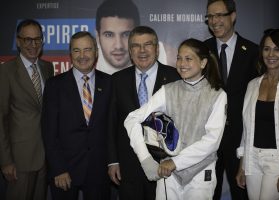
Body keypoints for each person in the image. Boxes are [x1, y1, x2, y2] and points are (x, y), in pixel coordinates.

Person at [124, 38, 227, 200]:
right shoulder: (169, 90)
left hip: (200, 173)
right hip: (168, 174)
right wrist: (146, 160)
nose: (182, 63)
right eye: (179, 58)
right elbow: (131, 119)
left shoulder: (217, 95)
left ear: (203, 63)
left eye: (188, 58)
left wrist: (176, 162)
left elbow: (212, 141)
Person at [107, 26, 180, 200]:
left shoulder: (174, 77)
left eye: (147, 44)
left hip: (165, 165)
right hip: (128, 165)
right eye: (136, 46)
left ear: (156, 48)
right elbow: (111, 124)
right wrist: (113, 161)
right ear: (130, 51)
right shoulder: (117, 80)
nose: (142, 51)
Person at [41, 31, 111, 200]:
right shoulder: (54, 85)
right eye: (76, 50)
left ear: (96, 52)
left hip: (99, 171)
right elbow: (48, 131)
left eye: (87, 49)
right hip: (65, 170)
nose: (82, 56)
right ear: (70, 54)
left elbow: (112, 127)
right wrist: (58, 168)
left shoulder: (109, 83)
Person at [235, 29, 279, 200]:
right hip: (252, 158)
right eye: (266, 49)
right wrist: (243, 165)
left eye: (277, 49)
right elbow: (246, 128)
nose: (271, 54)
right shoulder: (252, 85)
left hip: (278, 161)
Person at [204, 0, 259, 199]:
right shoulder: (202, 51)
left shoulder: (254, 52)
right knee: (208, 194)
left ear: (233, 16)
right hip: (208, 139)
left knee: (241, 194)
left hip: (241, 140)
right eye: (210, 16)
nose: (214, 21)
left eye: (219, 15)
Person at [0, 19, 54, 200]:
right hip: (19, 160)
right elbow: (1, 118)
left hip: (45, 158)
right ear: (18, 41)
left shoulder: (47, 67)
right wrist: (6, 161)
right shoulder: (6, 72)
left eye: (37, 39)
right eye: (27, 40)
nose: (33, 45)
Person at [95, 0, 140, 75]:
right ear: (97, 37)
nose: (118, 46)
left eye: (126, 35)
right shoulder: (80, 66)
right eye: (109, 35)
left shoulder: (163, 56)